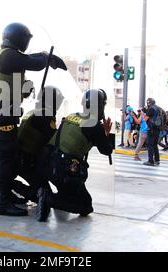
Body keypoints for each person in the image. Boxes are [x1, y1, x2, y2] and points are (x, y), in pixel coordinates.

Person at [0, 22, 67, 216]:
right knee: (7, 159)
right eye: (26, 39)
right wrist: (47, 58)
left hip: (4, 112)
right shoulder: (8, 55)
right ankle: (2, 202)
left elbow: (29, 61)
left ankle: (5, 194)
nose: (26, 43)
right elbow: (33, 62)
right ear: (18, 38)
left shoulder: (7, 55)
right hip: (2, 114)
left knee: (10, 158)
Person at [35, 89, 114, 221]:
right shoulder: (94, 125)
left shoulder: (72, 116)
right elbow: (107, 150)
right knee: (85, 206)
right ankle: (48, 199)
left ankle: (47, 197)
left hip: (47, 163)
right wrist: (106, 133)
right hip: (63, 170)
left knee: (69, 194)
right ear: (100, 106)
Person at [143, 98, 164, 166]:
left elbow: (145, 118)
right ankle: (157, 160)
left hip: (151, 129)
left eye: (147, 102)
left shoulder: (151, 108)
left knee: (150, 145)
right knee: (155, 145)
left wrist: (144, 112)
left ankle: (150, 161)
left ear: (149, 103)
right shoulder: (159, 108)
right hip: (158, 128)